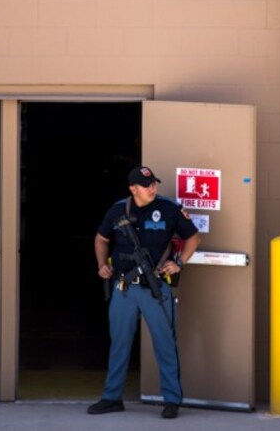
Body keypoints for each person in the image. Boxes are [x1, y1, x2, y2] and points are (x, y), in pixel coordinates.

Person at [88, 166, 201, 419]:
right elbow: (101, 238)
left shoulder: (169, 209)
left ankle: (171, 400)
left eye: (153, 184)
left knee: (164, 344)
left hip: (155, 288)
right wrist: (101, 265)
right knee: (119, 343)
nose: (152, 189)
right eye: (146, 185)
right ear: (132, 188)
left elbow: (193, 238)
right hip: (124, 288)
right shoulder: (118, 210)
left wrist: (179, 262)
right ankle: (112, 397)